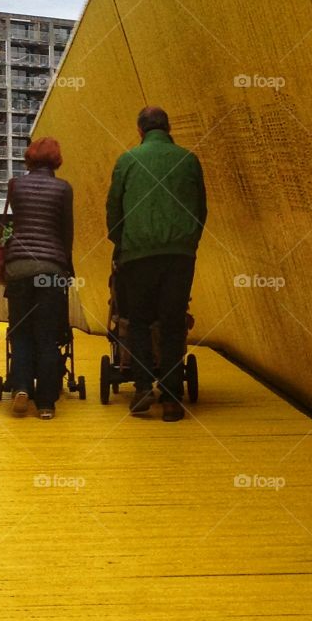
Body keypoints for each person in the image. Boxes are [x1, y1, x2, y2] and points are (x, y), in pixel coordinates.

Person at [106, 106, 206, 422]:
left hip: (137, 255)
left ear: (140, 131)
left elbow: (113, 210)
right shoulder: (188, 160)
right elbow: (200, 208)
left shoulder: (127, 161)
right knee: (173, 322)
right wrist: (188, 241)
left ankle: (142, 387)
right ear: (168, 127)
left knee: (138, 320)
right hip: (178, 255)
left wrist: (123, 243)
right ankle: (173, 398)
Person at [4, 137, 74, 419]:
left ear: (29, 157)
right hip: (51, 270)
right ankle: (46, 403)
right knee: (47, 335)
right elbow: (66, 231)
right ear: (56, 159)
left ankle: (21, 386)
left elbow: (16, 223)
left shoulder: (16, 185)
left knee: (20, 332)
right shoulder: (63, 188)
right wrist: (66, 267)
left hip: (18, 267)